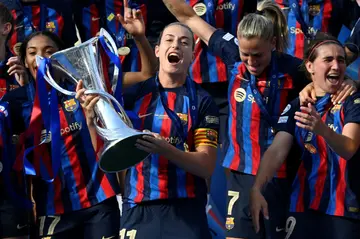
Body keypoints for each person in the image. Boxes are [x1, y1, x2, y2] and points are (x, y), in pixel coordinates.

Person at [161, 0, 357, 238]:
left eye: (258, 55)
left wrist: (348, 82)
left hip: (280, 175)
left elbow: (327, 77)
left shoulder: (292, 68)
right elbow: (189, 17)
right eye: (246, 55)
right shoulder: (230, 50)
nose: (251, 62)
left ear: (273, 44)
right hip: (240, 172)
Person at [18, 1, 157, 238]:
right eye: (32, 53)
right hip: (52, 210)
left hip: (99, 203)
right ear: (23, 60)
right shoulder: (16, 103)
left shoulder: (88, 85)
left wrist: (140, 38)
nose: (40, 58)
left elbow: (147, 74)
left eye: (49, 51)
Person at [77, 22, 220, 239]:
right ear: (158, 51)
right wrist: (90, 120)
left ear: (192, 54)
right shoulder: (133, 96)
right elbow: (109, 153)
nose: (176, 46)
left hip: (187, 208)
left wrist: (166, 149)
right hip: (139, 208)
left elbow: (206, 166)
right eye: (169, 40)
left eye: (184, 43)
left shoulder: (202, 101)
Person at [250, 33, 360, 239]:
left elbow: (349, 148)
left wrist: (322, 130)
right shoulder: (298, 104)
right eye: (328, 60)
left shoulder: (353, 101)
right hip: (302, 205)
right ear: (310, 67)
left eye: (341, 60)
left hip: (343, 209)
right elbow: (276, 151)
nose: (336, 66)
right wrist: (257, 188)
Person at [0, 3, 32, 239]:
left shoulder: (21, 73)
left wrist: (25, 89)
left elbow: (38, 128)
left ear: (5, 28)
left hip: (13, 187)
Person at [273, 0, 360, 61]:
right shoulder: (272, 3)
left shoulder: (338, 3)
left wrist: (350, 51)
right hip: (283, 79)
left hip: (322, 78)